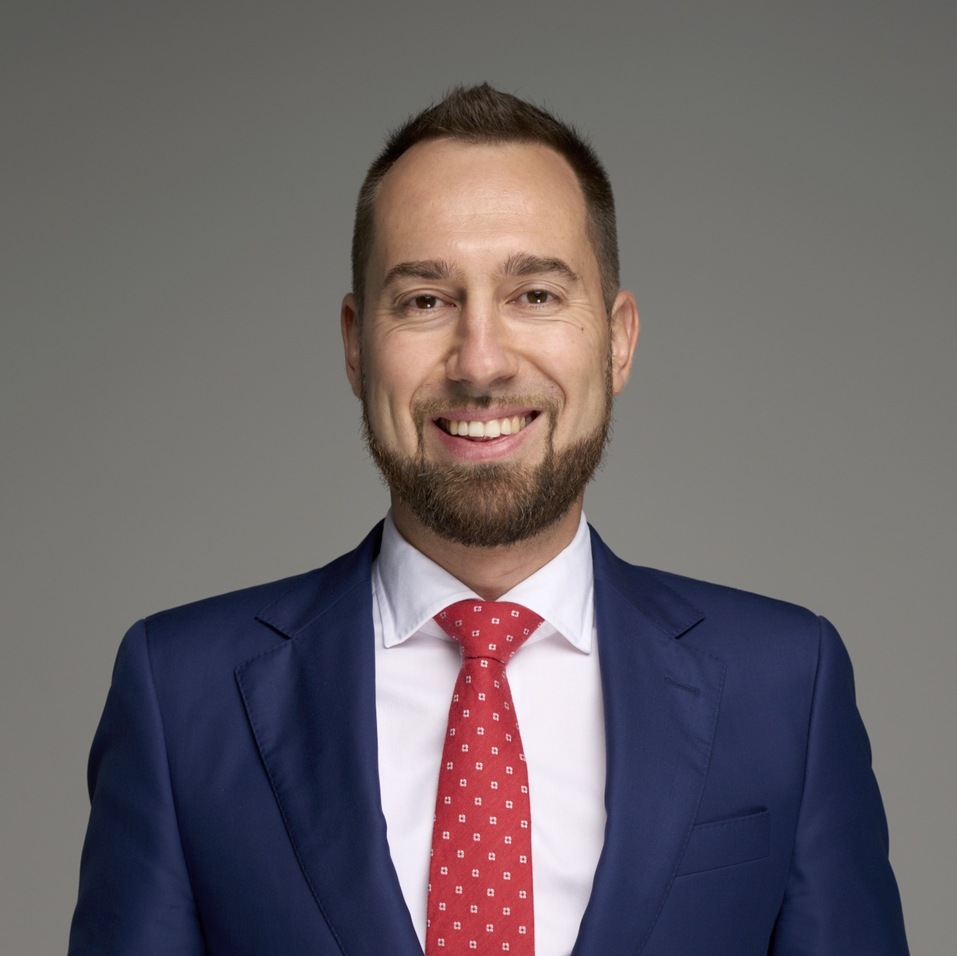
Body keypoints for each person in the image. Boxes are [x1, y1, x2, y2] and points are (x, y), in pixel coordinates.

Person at [69, 84, 908, 955]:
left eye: (535, 295)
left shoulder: (784, 685)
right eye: (424, 300)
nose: (479, 363)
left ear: (617, 339)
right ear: (355, 345)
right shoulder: (181, 694)